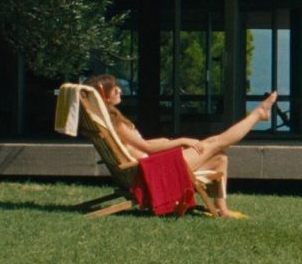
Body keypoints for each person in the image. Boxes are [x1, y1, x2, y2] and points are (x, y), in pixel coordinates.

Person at [84, 74, 276, 219]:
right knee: (216, 142)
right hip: (153, 172)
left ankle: (222, 209)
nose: (118, 90)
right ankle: (258, 114)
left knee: (219, 158)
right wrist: (181, 140)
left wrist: (165, 142)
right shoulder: (116, 123)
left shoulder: (110, 121)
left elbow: (140, 147)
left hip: (149, 167)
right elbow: (146, 148)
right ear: (104, 96)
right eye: (113, 89)